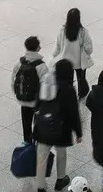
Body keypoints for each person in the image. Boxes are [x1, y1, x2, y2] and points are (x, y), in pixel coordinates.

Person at [33, 59, 82, 192]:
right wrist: (78, 133)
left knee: (42, 156)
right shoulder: (69, 89)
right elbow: (73, 113)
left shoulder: (46, 82)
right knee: (61, 153)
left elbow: (37, 104)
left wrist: (37, 120)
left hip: (43, 127)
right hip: (61, 128)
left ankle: (40, 186)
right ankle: (61, 179)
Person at [11, 35, 50, 144]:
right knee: (39, 124)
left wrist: (19, 94)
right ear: (37, 48)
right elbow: (46, 86)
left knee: (26, 125)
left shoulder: (19, 63)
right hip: (36, 101)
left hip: (23, 100)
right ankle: (38, 144)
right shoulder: (41, 66)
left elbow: (13, 80)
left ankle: (27, 143)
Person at [54, 8, 94, 99]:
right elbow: (89, 49)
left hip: (66, 61)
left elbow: (58, 46)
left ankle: (69, 95)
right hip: (79, 62)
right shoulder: (83, 32)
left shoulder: (62, 31)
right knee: (81, 79)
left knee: (68, 81)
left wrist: (54, 57)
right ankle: (82, 93)